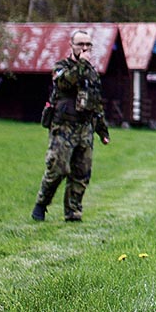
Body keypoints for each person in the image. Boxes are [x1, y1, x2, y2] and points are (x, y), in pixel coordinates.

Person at [31, 30, 110, 222]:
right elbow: (65, 82)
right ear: (72, 46)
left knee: (81, 173)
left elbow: (96, 102)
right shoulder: (61, 66)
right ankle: (41, 204)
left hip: (85, 128)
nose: (84, 48)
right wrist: (82, 63)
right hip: (64, 126)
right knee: (57, 169)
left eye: (88, 45)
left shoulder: (92, 72)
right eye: (80, 44)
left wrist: (102, 129)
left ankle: (73, 212)